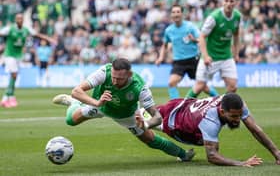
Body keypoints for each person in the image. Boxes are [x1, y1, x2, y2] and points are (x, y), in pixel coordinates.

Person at [52, 58, 195, 162]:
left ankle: (183, 155)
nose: (114, 82)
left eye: (119, 79)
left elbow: (157, 116)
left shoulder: (140, 87)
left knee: (149, 139)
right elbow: (76, 90)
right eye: (113, 77)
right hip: (101, 105)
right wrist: (97, 102)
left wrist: (145, 125)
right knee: (71, 121)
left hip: (127, 115)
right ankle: (73, 103)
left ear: (129, 75)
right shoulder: (105, 71)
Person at [137, 93, 280, 166]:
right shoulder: (209, 121)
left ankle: (184, 155)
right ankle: (183, 154)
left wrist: (276, 153)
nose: (238, 120)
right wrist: (241, 163)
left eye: (239, 115)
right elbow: (212, 156)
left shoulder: (237, 103)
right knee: (134, 120)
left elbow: (255, 129)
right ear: (222, 112)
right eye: (234, 116)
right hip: (173, 123)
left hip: (185, 106)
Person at [155, 4, 218, 100]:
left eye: (178, 12)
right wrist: (160, 57)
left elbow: (201, 39)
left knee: (203, 86)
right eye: (173, 12)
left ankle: (219, 99)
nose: (176, 14)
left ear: (182, 14)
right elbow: (165, 45)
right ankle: (176, 106)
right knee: (172, 82)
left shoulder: (190, 27)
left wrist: (194, 40)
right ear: (171, 15)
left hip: (193, 60)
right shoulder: (169, 30)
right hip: (179, 62)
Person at [187, 0, 241, 98]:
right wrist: (206, 56)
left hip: (226, 56)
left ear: (235, 3)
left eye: (231, 1)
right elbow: (202, 37)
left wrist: (236, 54)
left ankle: (222, 108)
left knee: (233, 87)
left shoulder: (237, 16)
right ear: (222, 2)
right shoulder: (214, 17)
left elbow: (236, 35)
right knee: (199, 86)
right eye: (226, 1)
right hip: (211, 57)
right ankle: (182, 109)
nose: (229, 3)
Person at [0, 13, 56, 107]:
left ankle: (6, 98)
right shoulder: (10, 29)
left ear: (23, 20)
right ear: (15, 20)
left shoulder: (26, 30)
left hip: (18, 56)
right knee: (14, 74)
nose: (20, 20)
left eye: (21, 18)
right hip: (9, 55)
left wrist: (48, 39)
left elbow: (37, 35)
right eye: (18, 18)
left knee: (14, 76)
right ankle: (11, 97)